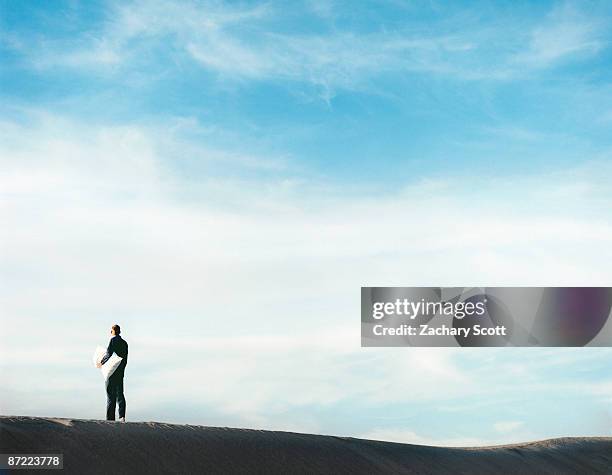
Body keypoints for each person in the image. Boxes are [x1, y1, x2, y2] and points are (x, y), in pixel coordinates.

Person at [97, 324, 128, 422]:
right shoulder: (125, 343)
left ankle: (110, 419)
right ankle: (121, 416)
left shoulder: (113, 340)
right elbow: (125, 359)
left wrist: (101, 362)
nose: (110, 332)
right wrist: (122, 369)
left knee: (110, 395)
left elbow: (109, 354)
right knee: (120, 394)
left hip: (112, 372)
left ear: (114, 331)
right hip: (120, 372)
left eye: (111, 330)